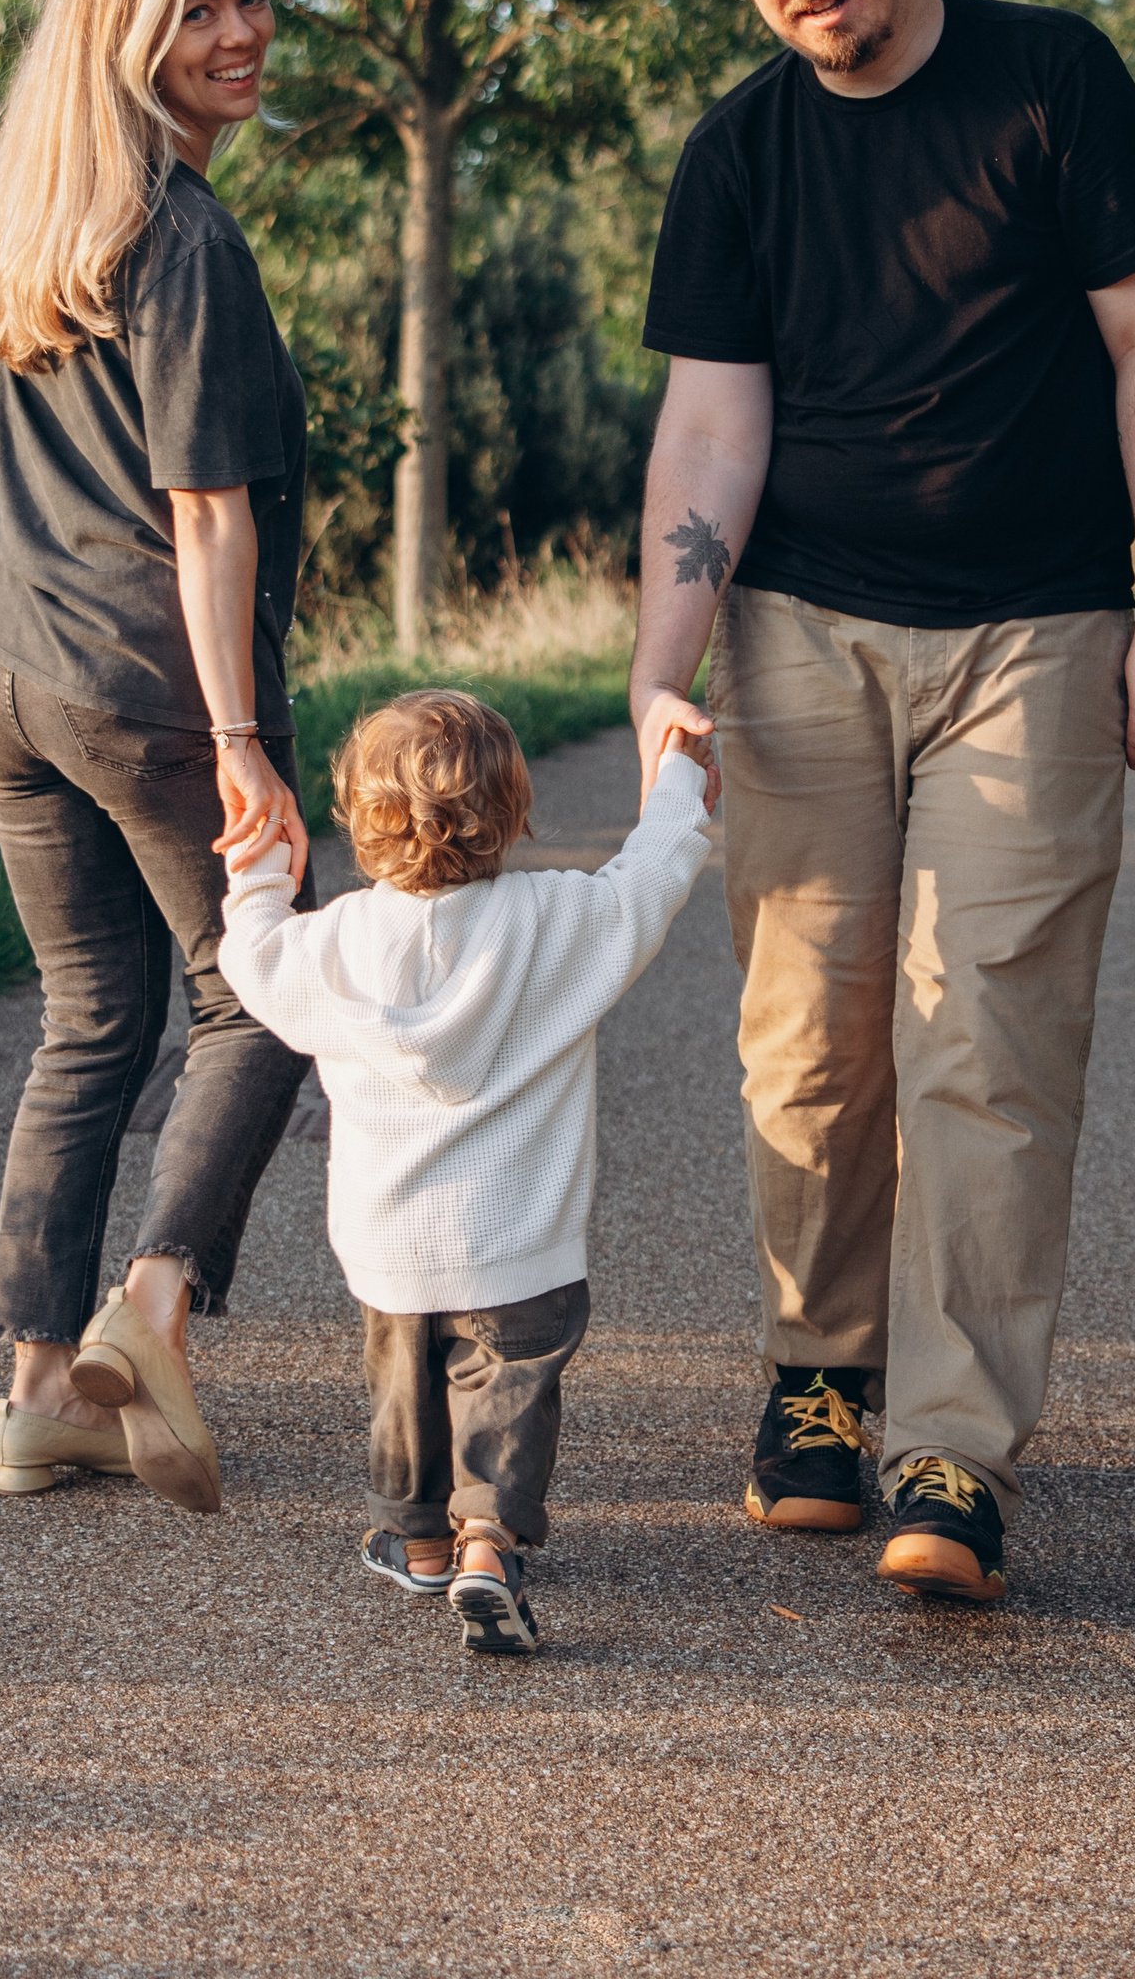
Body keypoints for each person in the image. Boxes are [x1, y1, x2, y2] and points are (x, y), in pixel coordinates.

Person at [628, 0, 1135, 1605]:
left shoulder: (1053, 82)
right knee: (810, 1035)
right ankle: (820, 1377)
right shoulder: (739, 159)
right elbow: (714, 427)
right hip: (800, 624)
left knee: (988, 1038)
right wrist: (660, 673)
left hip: (1038, 632)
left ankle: (953, 1445)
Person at [0, 0, 315, 1515]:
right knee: (267, 989)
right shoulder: (183, 231)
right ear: (129, 34)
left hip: (2, 669)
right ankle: (150, 1314)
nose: (238, 35)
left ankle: (39, 1403)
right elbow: (207, 507)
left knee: (94, 1018)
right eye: (198, 12)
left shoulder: (50, 207)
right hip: (142, 685)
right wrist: (240, 741)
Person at [219, 691, 714, 1654]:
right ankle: (488, 1541)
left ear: (358, 826)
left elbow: (255, 954)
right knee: (510, 1384)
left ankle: (419, 1540)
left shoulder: (337, 943)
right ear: (516, 813)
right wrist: (681, 780)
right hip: (519, 1238)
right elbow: (650, 882)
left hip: (390, 1244)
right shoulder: (557, 920)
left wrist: (257, 869)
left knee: (402, 1388)